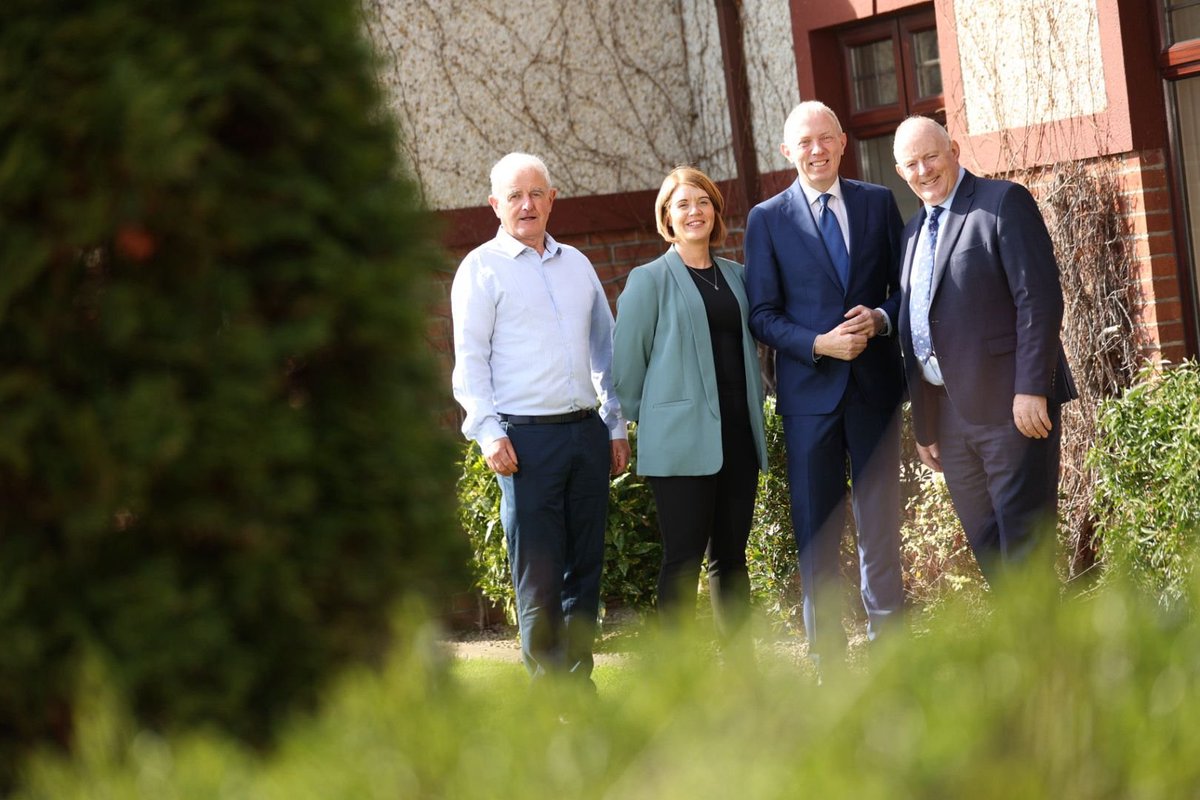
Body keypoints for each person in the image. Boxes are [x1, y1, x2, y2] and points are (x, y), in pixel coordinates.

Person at [450, 152, 630, 685]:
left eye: (536, 194)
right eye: (514, 196)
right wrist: (487, 431)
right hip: (524, 440)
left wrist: (614, 423)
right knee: (539, 577)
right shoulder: (480, 269)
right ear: (494, 205)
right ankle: (548, 692)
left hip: (585, 432)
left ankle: (578, 682)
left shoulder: (576, 263)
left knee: (585, 571)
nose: (526, 205)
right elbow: (470, 360)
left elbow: (607, 347)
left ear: (552, 200)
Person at [744, 101, 906, 667]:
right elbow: (761, 314)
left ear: (842, 142)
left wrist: (882, 318)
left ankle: (891, 651)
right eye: (803, 142)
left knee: (881, 524)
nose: (816, 151)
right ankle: (827, 659)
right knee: (817, 531)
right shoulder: (767, 218)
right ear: (788, 152)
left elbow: (902, 288)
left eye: (825, 139)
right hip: (809, 399)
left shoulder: (879, 203)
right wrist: (818, 343)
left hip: (874, 391)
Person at [892, 116, 1076, 581]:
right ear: (900, 172)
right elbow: (919, 322)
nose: (923, 170)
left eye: (930, 156)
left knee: (1025, 542)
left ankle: (1045, 652)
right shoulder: (912, 232)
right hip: (949, 419)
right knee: (987, 545)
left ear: (953, 149)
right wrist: (926, 424)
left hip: (1012, 407)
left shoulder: (1002, 203)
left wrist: (1033, 387)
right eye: (911, 163)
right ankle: (1020, 647)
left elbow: (1038, 299)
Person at [612, 167, 768, 641]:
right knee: (682, 560)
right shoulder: (649, 280)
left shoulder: (738, 277)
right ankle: (679, 681)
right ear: (667, 217)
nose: (694, 212)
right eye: (682, 204)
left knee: (731, 558)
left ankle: (741, 675)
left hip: (739, 435)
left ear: (715, 212)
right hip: (679, 445)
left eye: (702, 202)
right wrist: (661, 418)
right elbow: (626, 370)